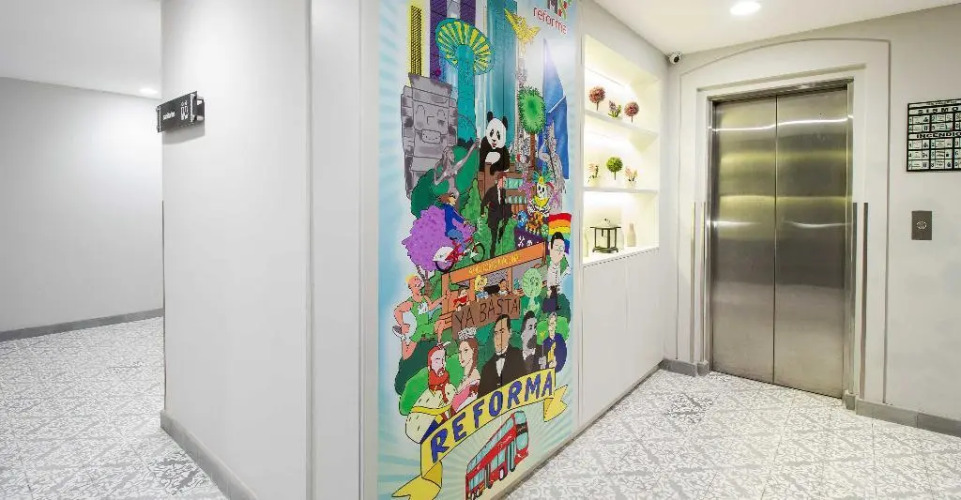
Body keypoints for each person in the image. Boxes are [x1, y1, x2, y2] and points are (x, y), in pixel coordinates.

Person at [393, 275, 443, 359]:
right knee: (406, 355)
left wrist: (443, 298)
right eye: (415, 283)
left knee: (442, 322)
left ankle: (439, 343)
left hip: (427, 325)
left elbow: (431, 307)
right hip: (419, 329)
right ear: (410, 287)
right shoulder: (411, 302)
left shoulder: (425, 298)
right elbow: (397, 311)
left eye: (417, 279)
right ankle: (403, 337)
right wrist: (402, 324)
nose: (417, 282)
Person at [479, 314, 528, 396]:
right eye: (496, 333)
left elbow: (526, 387)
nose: (498, 337)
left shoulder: (518, 355)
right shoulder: (486, 368)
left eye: (502, 332)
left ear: (510, 333)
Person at [482, 173, 511, 258]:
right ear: (499, 180)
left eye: (505, 182)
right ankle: (492, 254)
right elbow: (484, 202)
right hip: (493, 216)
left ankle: (501, 234)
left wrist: (510, 213)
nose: (504, 183)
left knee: (508, 206)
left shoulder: (503, 191)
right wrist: (482, 212)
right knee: (493, 237)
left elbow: (504, 204)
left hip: (500, 214)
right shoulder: (491, 190)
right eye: (504, 181)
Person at [542, 232, 570, 313]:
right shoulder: (543, 267)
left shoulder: (566, 270)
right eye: (557, 248)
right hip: (548, 307)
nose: (559, 252)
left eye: (562, 249)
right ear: (549, 247)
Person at [451, 336, 481, 412]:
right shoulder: (463, 379)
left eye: (466, 350)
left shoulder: (475, 378)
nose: (461, 356)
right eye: (460, 352)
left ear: (473, 351)